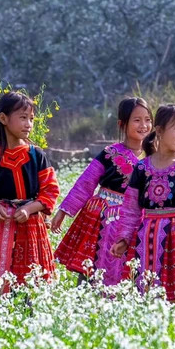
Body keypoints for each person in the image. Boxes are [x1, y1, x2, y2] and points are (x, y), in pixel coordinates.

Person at [109, 104, 175, 301]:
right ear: (159, 130)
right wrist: (123, 238)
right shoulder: (141, 168)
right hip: (145, 237)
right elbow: (131, 208)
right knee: (141, 294)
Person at [51, 97, 152, 284]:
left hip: (137, 219)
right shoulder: (109, 153)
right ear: (122, 123)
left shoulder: (155, 158)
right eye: (137, 120)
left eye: (147, 119)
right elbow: (86, 183)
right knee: (93, 263)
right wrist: (64, 211)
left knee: (131, 269)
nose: (144, 125)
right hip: (102, 218)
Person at [0, 92, 60, 292]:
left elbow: (50, 190)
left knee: (29, 282)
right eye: (23, 118)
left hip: (30, 227)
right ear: (3, 118)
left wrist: (30, 208)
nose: (29, 124)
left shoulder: (37, 155)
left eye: (31, 119)